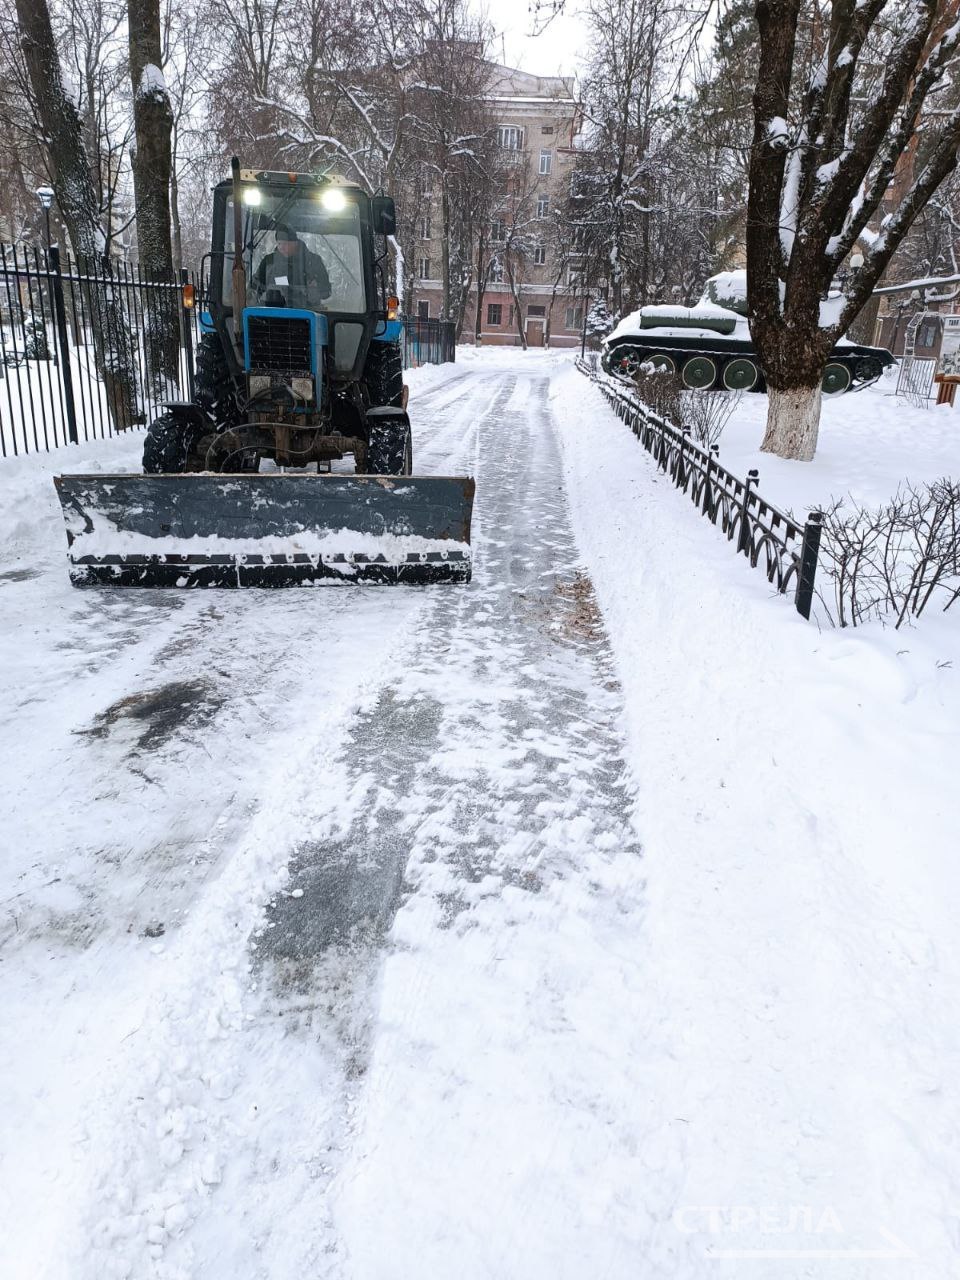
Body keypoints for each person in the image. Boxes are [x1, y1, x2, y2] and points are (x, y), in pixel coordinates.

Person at [255, 224, 331, 307]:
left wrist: (315, 288)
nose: (281, 247)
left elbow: (326, 291)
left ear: (295, 243)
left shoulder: (314, 261)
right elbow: (255, 287)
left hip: (308, 311)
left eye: (285, 244)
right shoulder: (269, 262)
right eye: (279, 243)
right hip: (273, 312)